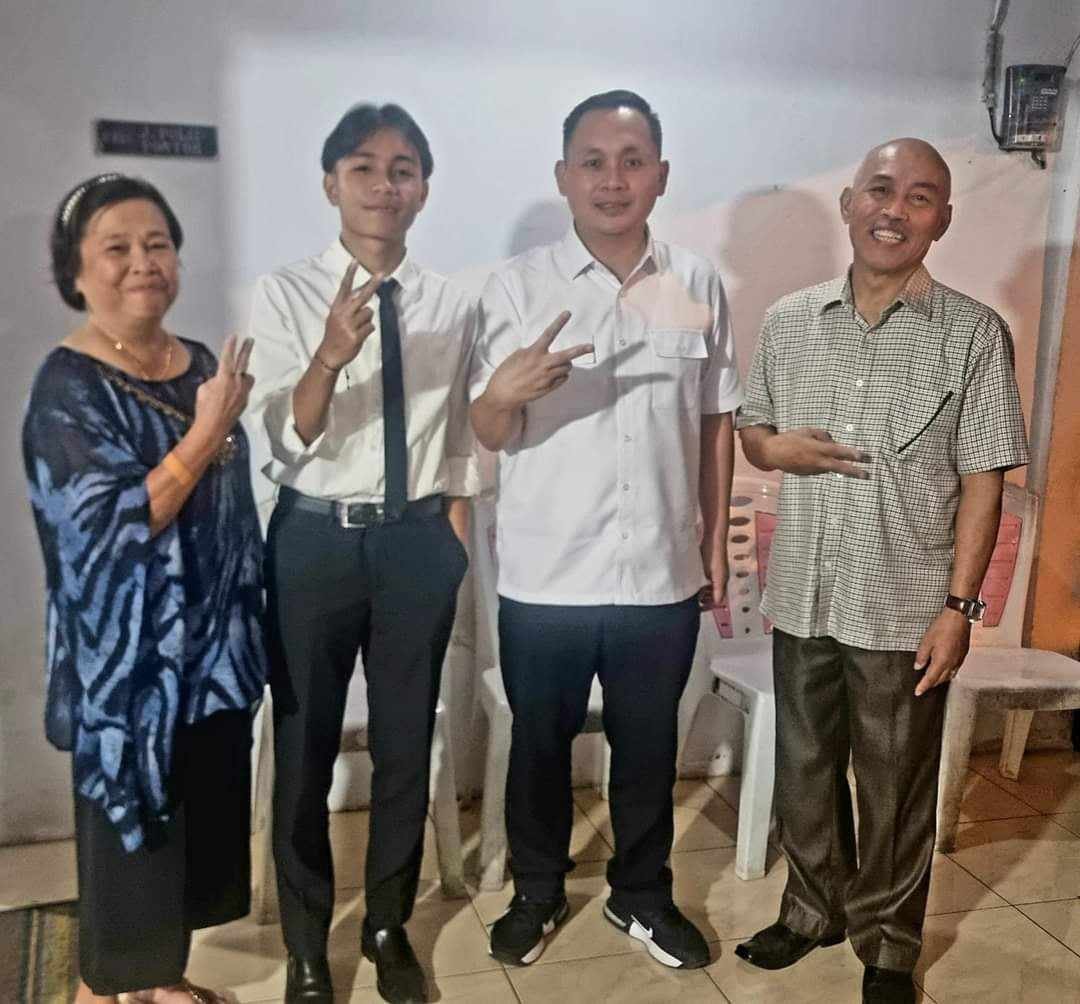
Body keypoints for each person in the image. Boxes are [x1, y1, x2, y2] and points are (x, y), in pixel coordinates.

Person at [733, 138, 1029, 1004]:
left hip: (904, 604)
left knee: (895, 784)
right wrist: (772, 450)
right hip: (803, 591)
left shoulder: (973, 333)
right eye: (880, 189)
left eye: (920, 197)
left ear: (943, 220)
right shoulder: (791, 321)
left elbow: (984, 481)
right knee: (804, 769)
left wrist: (959, 609)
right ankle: (811, 911)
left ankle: (889, 946)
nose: (895, 210)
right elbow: (754, 430)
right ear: (850, 203)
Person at [469, 89, 742, 971]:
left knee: (649, 749)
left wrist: (712, 542)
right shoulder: (516, 288)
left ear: (660, 175)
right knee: (538, 749)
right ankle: (537, 892)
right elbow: (484, 429)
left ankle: (642, 896)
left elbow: (716, 419)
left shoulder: (695, 283)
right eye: (593, 162)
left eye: (631, 162)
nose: (612, 180)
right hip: (546, 575)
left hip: (659, 571)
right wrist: (504, 394)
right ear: (564, 177)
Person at [245, 103, 477, 1004]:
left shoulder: (451, 302)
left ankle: (387, 926)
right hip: (314, 540)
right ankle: (308, 946)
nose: (385, 185)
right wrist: (328, 359)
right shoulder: (285, 293)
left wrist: (451, 538)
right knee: (303, 747)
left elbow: (459, 432)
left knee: (405, 745)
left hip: (416, 541)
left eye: (404, 168)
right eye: (364, 168)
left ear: (425, 188)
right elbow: (282, 437)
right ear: (331, 184)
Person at [22, 174, 266, 1004]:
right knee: (132, 845)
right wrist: (207, 430)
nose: (143, 263)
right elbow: (108, 528)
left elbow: (231, 513)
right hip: (128, 677)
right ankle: (104, 993)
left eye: (158, 244)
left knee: (192, 841)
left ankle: (161, 982)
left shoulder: (199, 363)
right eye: (117, 248)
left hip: (211, 662)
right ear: (76, 271)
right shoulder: (67, 387)